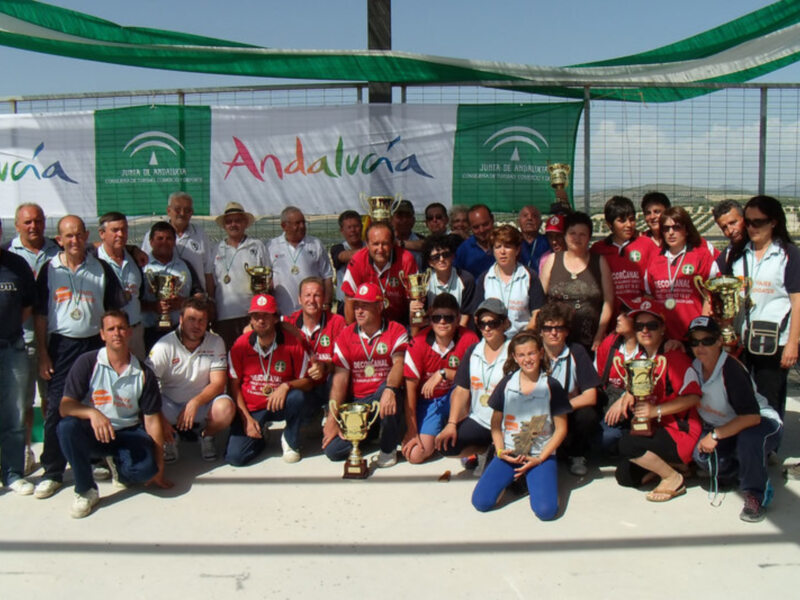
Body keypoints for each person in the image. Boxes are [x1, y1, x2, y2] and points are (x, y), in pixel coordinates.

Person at [33, 215, 125, 501]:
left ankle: (94, 458)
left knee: (97, 402)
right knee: (58, 407)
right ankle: (52, 471)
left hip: (93, 345)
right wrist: (43, 353)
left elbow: (113, 313)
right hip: (61, 345)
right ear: (59, 239)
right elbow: (40, 315)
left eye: (79, 235)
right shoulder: (49, 270)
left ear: (87, 236)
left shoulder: (101, 269)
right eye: (68, 236)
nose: (74, 241)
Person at [57, 310, 171, 518]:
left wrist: (159, 467)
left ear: (129, 332)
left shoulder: (144, 373)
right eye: (111, 329)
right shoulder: (87, 362)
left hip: (129, 433)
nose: (116, 333)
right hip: (97, 432)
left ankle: (118, 466)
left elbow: (152, 421)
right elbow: (65, 406)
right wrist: (92, 413)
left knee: (145, 471)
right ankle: (85, 490)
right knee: (66, 427)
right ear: (102, 334)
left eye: (121, 328)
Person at [688, 316, 782, 522]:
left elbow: (752, 417)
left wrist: (715, 435)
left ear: (719, 340)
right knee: (701, 457)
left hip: (760, 422)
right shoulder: (694, 365)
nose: (700, 346)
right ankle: (749, 466)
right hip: (726, 425)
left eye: (707, 340)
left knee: (748, 441)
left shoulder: (730, 369)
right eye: (694, 342)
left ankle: (756, 494)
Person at [471, 330, 570, 520]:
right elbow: (495, 423)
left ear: (541, 353)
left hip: (538, 455)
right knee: (481, 503)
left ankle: (538, 481)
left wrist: (540, 459)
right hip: (510, 452)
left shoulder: (551, 385)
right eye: (522, 355)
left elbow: (562, 429)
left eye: (531, 353)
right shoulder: (507, 383)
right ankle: (514, 481)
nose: (527, 359)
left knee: (546, 512)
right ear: (515, 358)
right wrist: (500, 451)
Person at [614, 302, 703, 502]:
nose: (645, 330)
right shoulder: (640, 359)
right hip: (656, 430)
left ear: (663, 328)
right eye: (639, 326)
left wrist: (656, 411)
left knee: (627, 444)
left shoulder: (675, 357)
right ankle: (672, 467)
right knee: (624, 475)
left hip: (681, 432)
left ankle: (673, 477)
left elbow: (693, 397)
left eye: (652, 325)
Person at [729, 195, 800, 423]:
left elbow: (797, 301)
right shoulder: (737, 254)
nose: (751, 227)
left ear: (774, 222)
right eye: (747, 222)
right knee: (741, 395)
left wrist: (792, 343)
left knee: (769, 398)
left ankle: (767, 448)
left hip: (775, 342)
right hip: (741, 340)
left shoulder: (788, 255)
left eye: (758, 222)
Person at [324, 283, 408, 468]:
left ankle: (388, 449)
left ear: (379, 306)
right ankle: (368, 433)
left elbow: (399, 363)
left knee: (385, 393)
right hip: (358, 405)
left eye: (365, 305)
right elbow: (340, 379)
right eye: (356, 306)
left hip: (384, 397)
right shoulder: (345, 335)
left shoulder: (396, 330)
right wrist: (333, 419)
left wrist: (391, 388)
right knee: (333, 451)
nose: (359, 311)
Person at [225, 294, 313, 465]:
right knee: (235, 458)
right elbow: (234, 387)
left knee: (298, 397)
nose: (261, 320)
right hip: (252, 407)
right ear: (250, 319)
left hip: (279, 402)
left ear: (275, 318)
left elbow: (308, 382)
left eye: (266, 315)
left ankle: (290, 440)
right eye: (256, 316)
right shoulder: (239, 345)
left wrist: (286, 386)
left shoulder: (292, 344)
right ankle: (260, 435)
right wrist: (247, 420)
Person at [146, 297, 235, 463]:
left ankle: (206, 436)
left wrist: (195, 402)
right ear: (180, 320)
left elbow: (218, 383)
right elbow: (147, 387)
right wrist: (160, 420)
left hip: (201, 404)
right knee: (148, 410)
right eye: (191, 319)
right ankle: (169, 439)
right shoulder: (163, 346)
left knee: (226, 408)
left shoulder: (216, 342)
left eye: (202, 320)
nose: (197, 325)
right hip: (170, 405)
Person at [8, 203, 60, 474]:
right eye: (27, 222)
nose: (33, 226)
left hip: (55, 340)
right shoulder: (7, 254)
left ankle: (54, 453)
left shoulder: (58, 250)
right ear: (17, 225)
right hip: (21, 341)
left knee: (53, 401)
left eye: (38, 221)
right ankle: (25, 452)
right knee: (22, 403)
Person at [402, 293, 479, 464]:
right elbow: (410, 391)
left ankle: (463, 439)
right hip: (430, 402)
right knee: (415, 455)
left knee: (462, 390)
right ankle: (437, 433)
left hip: (457, 398)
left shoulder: (469, 339)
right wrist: (412, 431)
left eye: (448, 318)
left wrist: (444, 373)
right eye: (437, 317)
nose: (442, 322)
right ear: (430, 319)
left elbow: (477, 379)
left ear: (458, 318)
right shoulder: (418, 342)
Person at [436, 299, 511, 470]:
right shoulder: (473, 351)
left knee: (494, 483)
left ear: (505, 323)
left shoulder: (514, 351)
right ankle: (483, 449)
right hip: (480, 420)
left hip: (506, 426)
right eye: (482, 324)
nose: (487, 328)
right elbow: (462, 390)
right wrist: (452, 424)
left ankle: (493, 450)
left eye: (493, 323)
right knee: (446, 445)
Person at [536, 301, 600, 476]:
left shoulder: (576, 351)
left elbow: (590, 396)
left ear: (567, 331)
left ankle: (576, 454)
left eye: (559, 328)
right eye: (548, 328)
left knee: (588, 415)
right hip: (537, 412)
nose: (554, 333)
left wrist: (560, 407)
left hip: (567, 411)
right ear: (540, 331)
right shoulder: (533, 353)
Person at [540, 211, 614, 351]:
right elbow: (540, 299)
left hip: (590, 342)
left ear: (589, 237)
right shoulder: (552, 260)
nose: (577, 238)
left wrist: (599, 334)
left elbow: (608, 301)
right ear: (565, 235)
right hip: (556, 339)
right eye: (572, 233)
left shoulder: (600, 262)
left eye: (582, 234)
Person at [0, 219, 37, 495]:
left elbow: (27, 307)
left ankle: (12, 473)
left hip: (12, 348)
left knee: (15, 414)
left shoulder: (16, 265)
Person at [644, 206, 718, 342]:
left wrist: (700, 332)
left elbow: (709, 295)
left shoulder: (702, 255)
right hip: (663, 337)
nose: (671, 233)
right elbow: (649, 295)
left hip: (694, 336)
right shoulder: (654, 258)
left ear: (687, 229)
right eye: (666, 228)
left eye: (676, 227)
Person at [284, 277, 346, 414]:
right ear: (299, 299)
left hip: (328, 384)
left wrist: (324, 366)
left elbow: (344, 361)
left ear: (324, 299)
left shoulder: (337, 322)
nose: (311, 300)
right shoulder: (288, 323)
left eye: (317, 295)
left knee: (338, 376)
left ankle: (332, 415)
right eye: (307, 295)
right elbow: (254, 328)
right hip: (303, 386)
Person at [212, 202, 268, 348]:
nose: (233, 225)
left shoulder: (257, 245)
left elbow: (268, 278)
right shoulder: (216, 249)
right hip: (224, 316)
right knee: (229, 357)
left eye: (237, 220)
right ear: (224, 225)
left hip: (252, 315)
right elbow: (210, 283)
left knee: (253, 356)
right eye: (229, 221)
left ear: (245, 223)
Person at [341, 221, 418, 325]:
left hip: (401, 322)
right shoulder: (357, 261)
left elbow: (415, 301)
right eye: (375, 244)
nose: (380, 249)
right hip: (368, 323)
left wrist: (414, 338)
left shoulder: (406, 260)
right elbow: (349, 299)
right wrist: (353, 335)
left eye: (385, 243)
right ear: (367, 244)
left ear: (392, 244)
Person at [141, 221, 203, 351]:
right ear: (151, 242)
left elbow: (199, 295)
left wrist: (183, 304)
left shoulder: (185, 266)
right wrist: (153, 306)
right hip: (150, 331)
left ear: (174, 241)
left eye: (169, 238)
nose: (164, 242)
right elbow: (134, 300)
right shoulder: (141, 266)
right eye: (160, 238)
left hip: (179, 330)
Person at [141, 191, 215, 295]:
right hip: (158, 301)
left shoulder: (201, 235)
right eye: (177, 209)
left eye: (187, 210)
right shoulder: (154, 234)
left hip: (195, 300)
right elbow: (144, 265)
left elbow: (208, 272)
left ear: (192, 212)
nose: (182, 213)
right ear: (168, 211)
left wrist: (211, 300)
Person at [475, 224, 545, 336]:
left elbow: (537, 313)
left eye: (507, 246)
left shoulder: (530, 276)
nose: (502, 252)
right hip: (493, 340)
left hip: (523, 339)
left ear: (517, 250)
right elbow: (477, 315)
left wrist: (524, 338)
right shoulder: (485, 278)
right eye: (498, 247)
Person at [591, 196, 655, 314]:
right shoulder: (598, 249)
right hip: (610, 316)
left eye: (631, 219)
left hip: (639, 316)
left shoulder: (647, 245)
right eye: (622, 220)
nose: (629, 225)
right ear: (609, 224)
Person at [266, 206, 333, 317]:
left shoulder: (315, 244)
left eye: (303, 223)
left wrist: (327, 304)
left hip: (312, 312)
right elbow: (267, 280)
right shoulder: (271, 246)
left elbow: (327, 277)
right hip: (282, 313)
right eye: (297, 223)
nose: (302, 226)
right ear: (284, 226)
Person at [96, 212, 145, 360]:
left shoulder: (135, 259)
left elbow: (139, 295)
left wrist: (134, 249)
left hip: (134, 331)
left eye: (124, 229)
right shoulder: (93, 260)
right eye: (115, 230)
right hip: (109, 334)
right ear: (102, 233)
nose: (121, 234)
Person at [422, 233, 476, 328]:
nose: (441, 259)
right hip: (433, 328)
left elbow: (466, 315)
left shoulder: (466, 279)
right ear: (430, 262)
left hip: (459, 329)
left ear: (452, 257)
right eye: (436, 257)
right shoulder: (424, 282)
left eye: (446, 255)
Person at [330, 210, 364, 314]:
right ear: (342, 230)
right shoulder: (338, 248)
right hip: (345, 304)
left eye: (356, 226)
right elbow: (343, 256)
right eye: (349, 227)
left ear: (362, 227)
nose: (353, 230)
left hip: (367, 301)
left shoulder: (370, 246)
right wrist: (371, 251)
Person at [454, 204, 495, 279]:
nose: (482, 230)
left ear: (492, 219)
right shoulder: (464, 250)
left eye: (485, 224)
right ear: (470, 227)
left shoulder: (506, 244)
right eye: (476, 227)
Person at [713, 199, 747, 273]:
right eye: (724, 227)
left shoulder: (763, 246)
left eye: (733, 223)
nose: (730, 231)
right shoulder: (724, 260)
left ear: (744, 218)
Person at [391, 200, 425, 267]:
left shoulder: (422, 239)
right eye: (400, 216)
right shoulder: (384, 240)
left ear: (414, 220)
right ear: (391, 220)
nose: (404, 220)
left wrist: (399, 243)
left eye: (408, 216)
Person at [518, 205, 551, 274]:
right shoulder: (513, 242)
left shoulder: (548, 242)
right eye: (525, 216)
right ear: (518, 222)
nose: (529, 218)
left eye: (534, 216)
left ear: (541, 223)